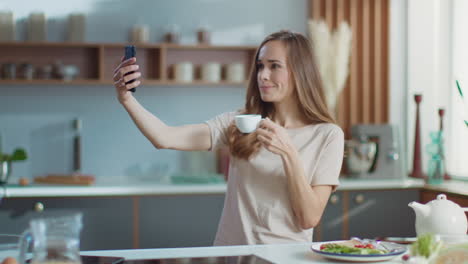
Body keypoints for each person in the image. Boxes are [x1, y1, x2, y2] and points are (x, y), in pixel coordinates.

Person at [113, 30, 344, 245]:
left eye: (274, 66)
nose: (263, 75)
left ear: (301, 72)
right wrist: (127, 99)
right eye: (260, 66)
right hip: (233, 254)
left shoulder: (327, 135)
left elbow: (309, 218)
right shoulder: (240, 122)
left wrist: (289, 154)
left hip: (285, 257)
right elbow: (164, 137)